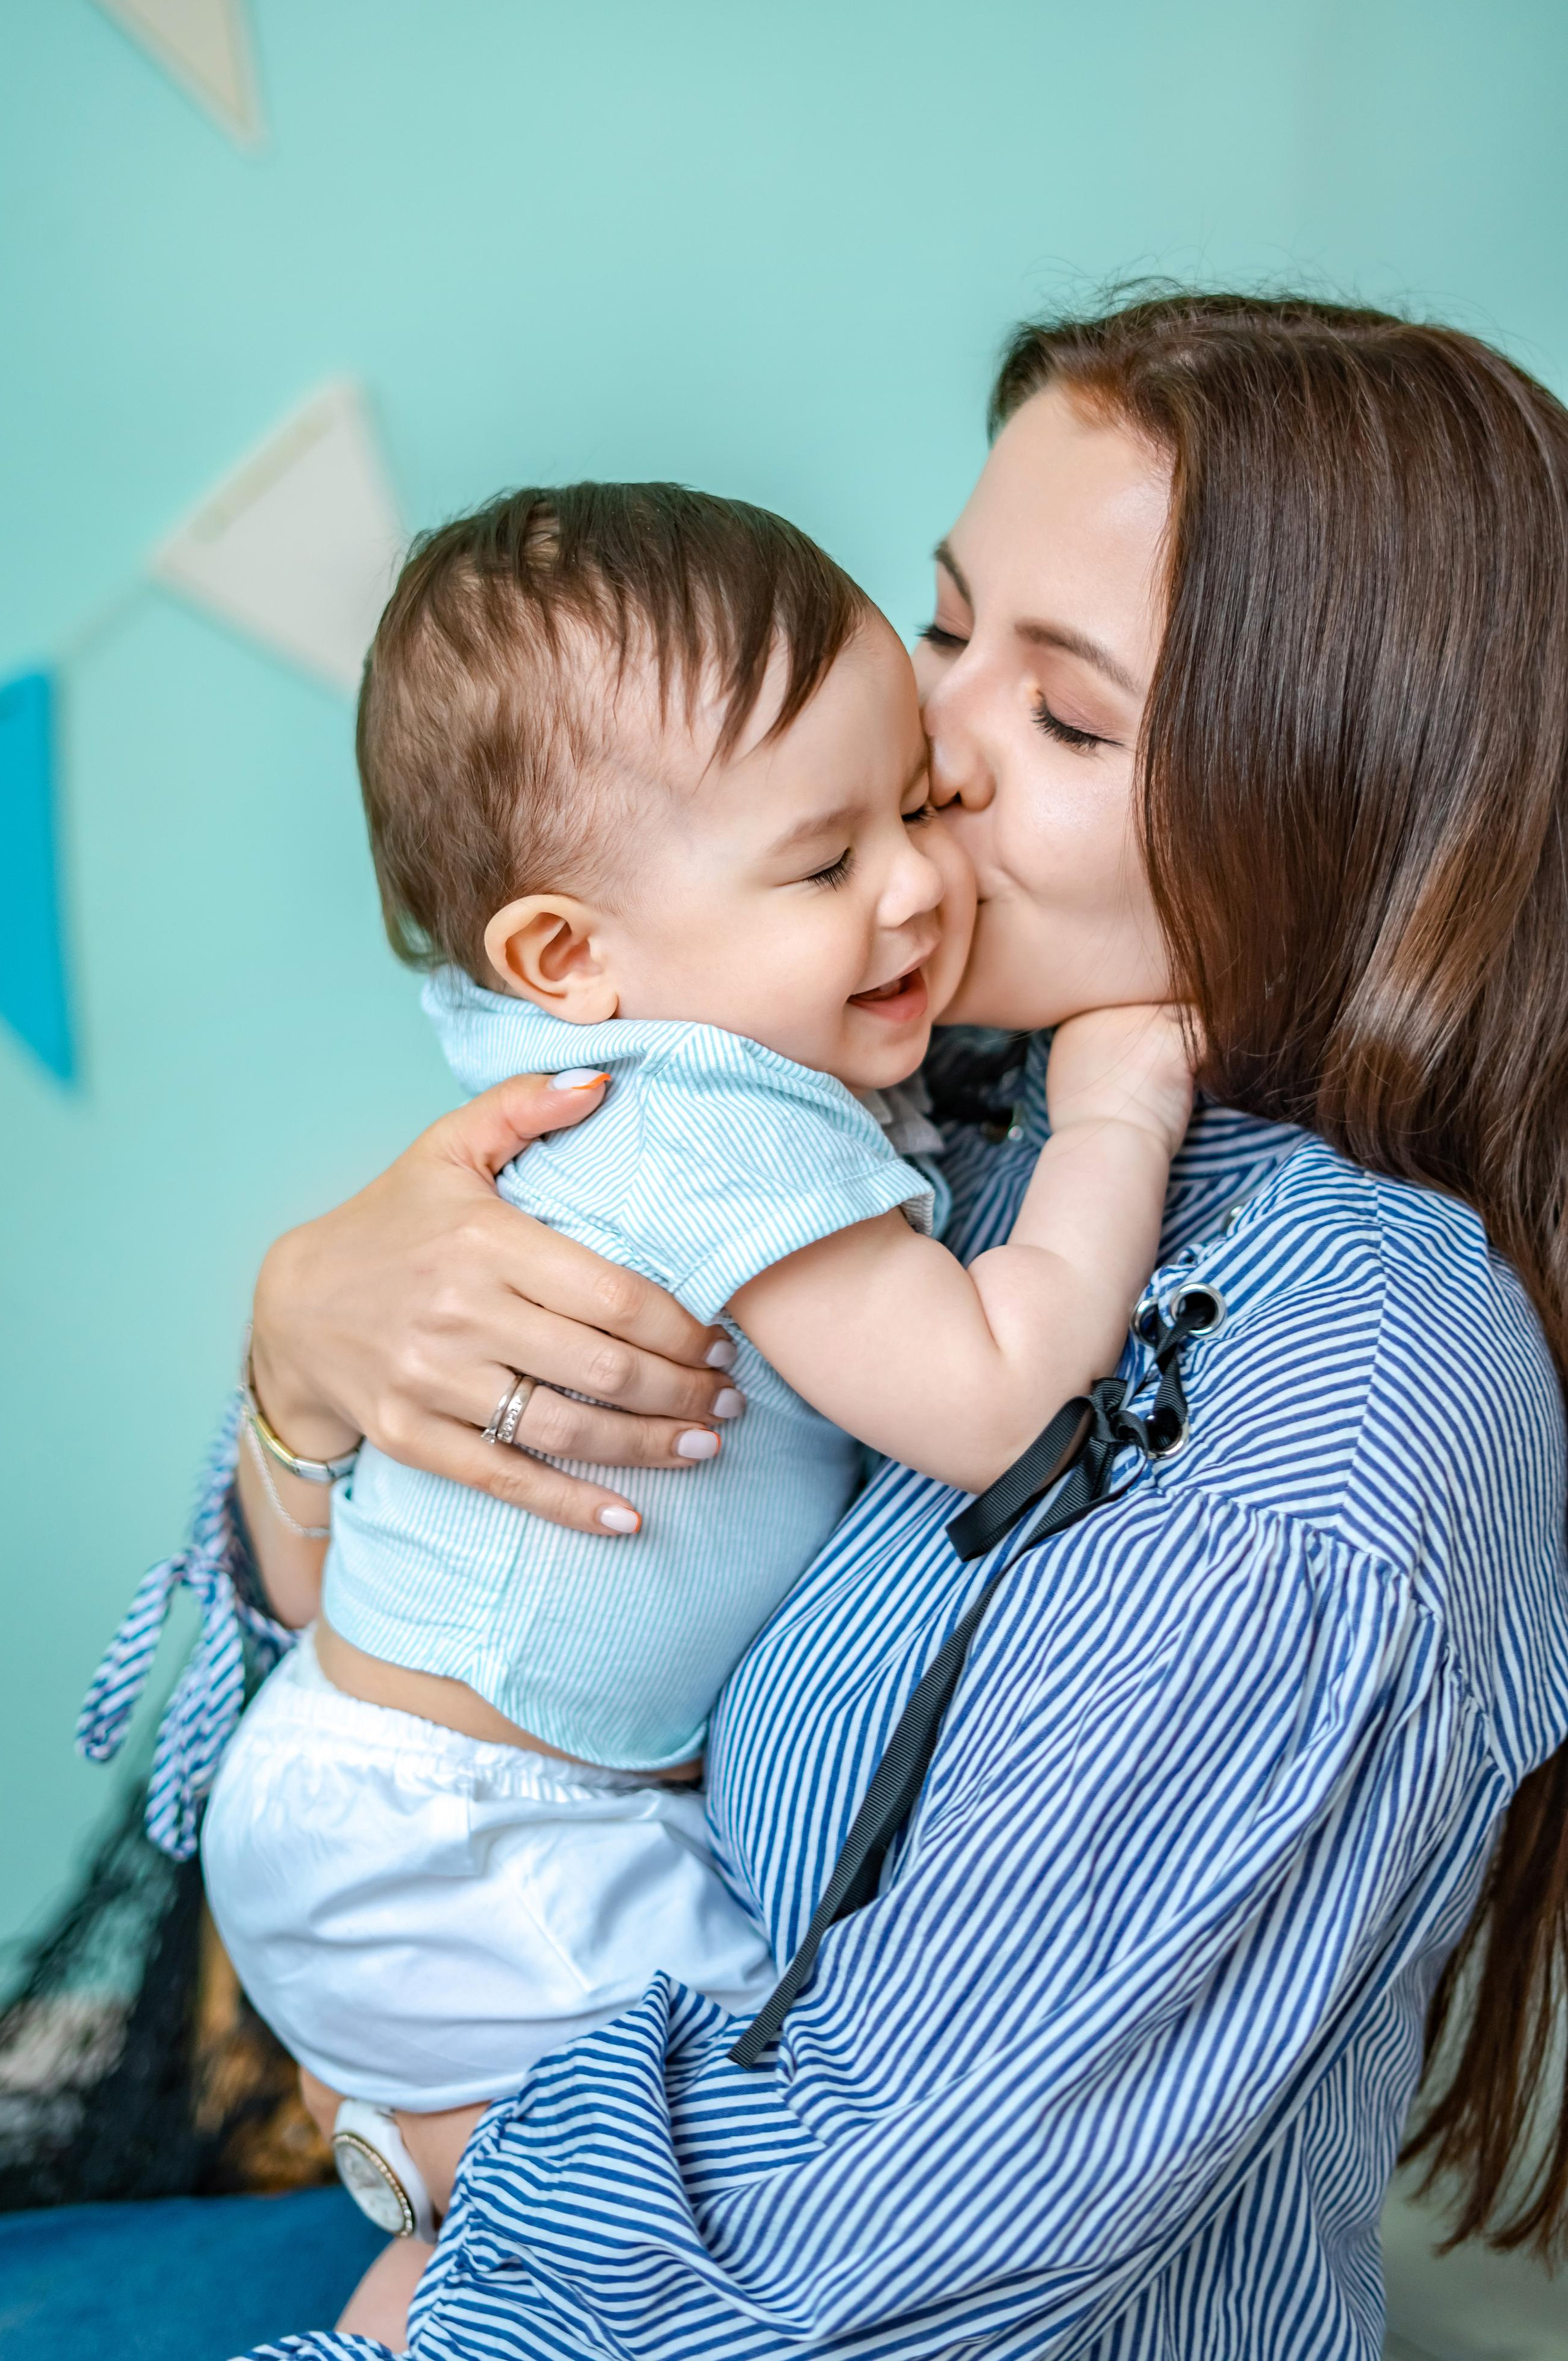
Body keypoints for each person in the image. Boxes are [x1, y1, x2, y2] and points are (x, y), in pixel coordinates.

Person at [95, 291, 1568, 2361]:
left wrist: (450, 2227)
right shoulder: (932, 1099)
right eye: (948, 628)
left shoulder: (1345, 1389)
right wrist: (303, 1381)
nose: (930, 755)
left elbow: (881, 2254)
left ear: (1346, 820)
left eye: (1068, 722)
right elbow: (372, 1676)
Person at [195, 481, 1192, 2246]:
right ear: (568, 957)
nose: (922, 875)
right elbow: (992, 1398)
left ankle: (420, 2185)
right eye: (829, 861)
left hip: (407, 1803)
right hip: (479, 1839)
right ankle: (434, 2200)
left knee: (566, 2225)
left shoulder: (664, 1033)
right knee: (751, 2170)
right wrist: (1120, 1105)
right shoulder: (724, 1121)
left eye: (903, 809)